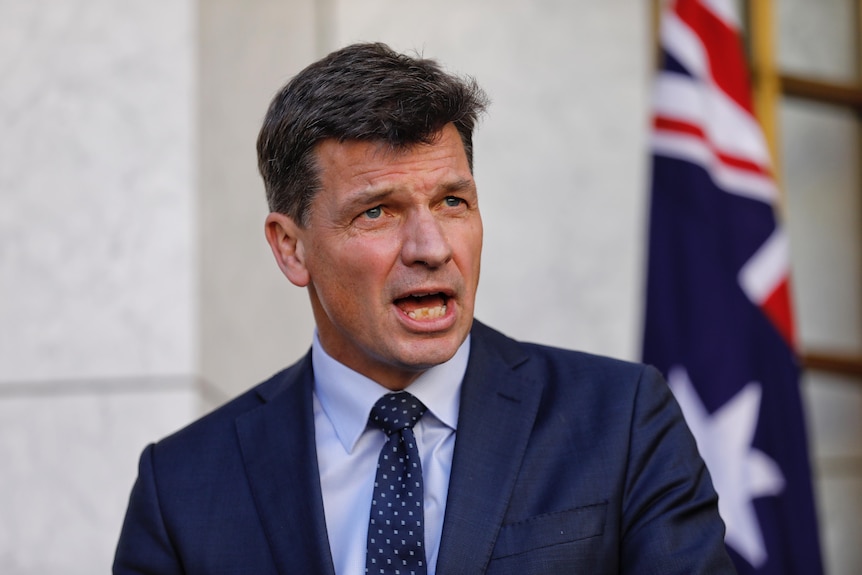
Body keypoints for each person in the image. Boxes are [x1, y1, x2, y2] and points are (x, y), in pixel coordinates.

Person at [114, 42, 735, 574]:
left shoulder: (620, 422)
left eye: (451, 202)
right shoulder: (183, 488)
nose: (432, 248)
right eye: (377, 211)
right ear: (291, 247)